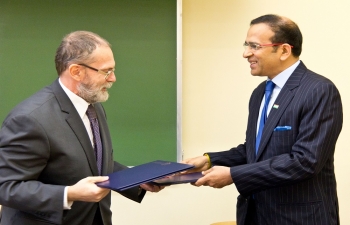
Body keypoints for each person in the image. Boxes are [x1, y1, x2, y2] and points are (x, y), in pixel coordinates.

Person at [183, 14, 343, 225]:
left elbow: (305, 161)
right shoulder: (260, 93)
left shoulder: (319, 90)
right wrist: (209, 160)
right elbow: (255, 150)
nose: (245, 53)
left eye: (255, 46)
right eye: (246, 45)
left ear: (284, 50)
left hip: (300, 218)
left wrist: (233, 175)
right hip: (256, 216)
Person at [0, 31, 162, 225]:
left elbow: (93, 162)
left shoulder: (93, 105)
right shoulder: (30, 119)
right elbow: (6, 186)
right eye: (106, 71)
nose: (113, 79)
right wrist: (69, 193)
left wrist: (138, 179)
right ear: (76, 71)